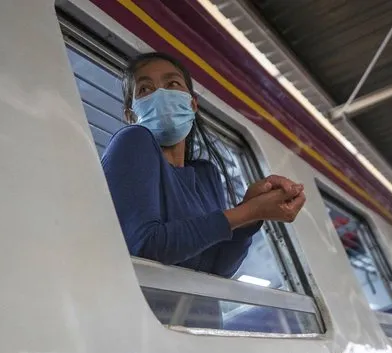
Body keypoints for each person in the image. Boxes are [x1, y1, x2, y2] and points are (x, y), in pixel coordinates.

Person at [101, 52, 306, 279]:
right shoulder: (131, 140)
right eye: (145, 90)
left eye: (172, 84)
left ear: (192, 104)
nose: (161, 95)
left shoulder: (206, 175)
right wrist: (247, 211)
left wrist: (252, 211)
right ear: (131, 115)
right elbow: (144, 246)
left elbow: (220, 268)